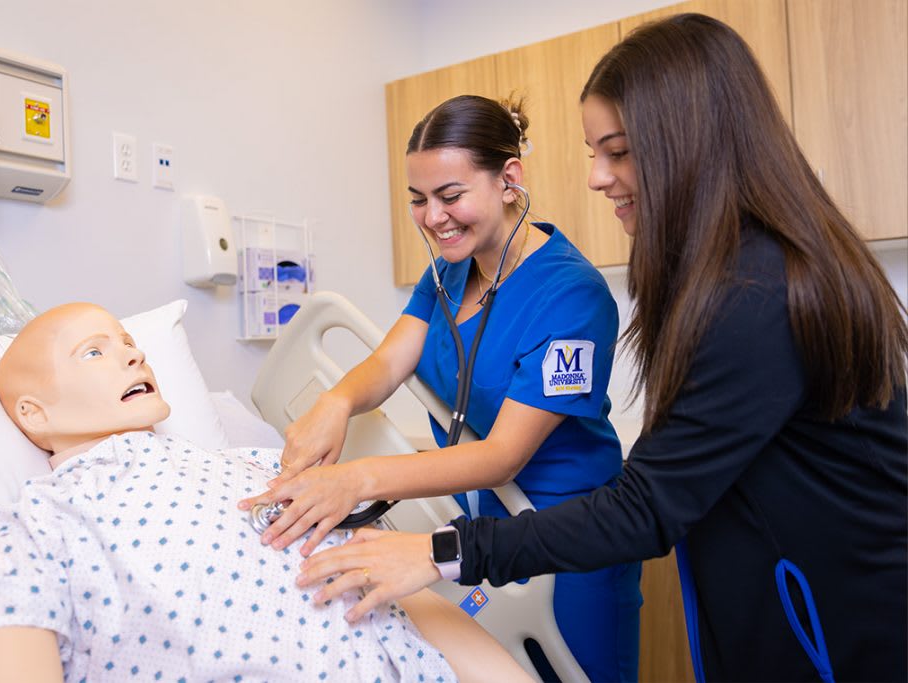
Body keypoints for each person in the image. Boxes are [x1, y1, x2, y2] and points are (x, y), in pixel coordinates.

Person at [295, 13, 908, 683]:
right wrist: (337, 400)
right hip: (762, 582)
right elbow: (390, 361)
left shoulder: (751, 293)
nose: (595, 176)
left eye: (617, 151)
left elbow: (638, 503)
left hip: (834, 612)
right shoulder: (718, 275)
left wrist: (434, 542)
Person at [240, 94, 642, 680]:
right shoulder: (446, 273)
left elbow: (504, 455)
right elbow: (388, 362)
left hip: (567, 542)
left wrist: (353, 479)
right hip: (480, 528)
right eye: (419, 200)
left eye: (451, 196)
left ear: (509, 180)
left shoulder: (570, 295)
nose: (433, 217)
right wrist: (337, 401)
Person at [0, 302, 533, 683]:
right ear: (32, 414)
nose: (131, 352)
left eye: (128, 341)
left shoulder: (262, 466)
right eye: (95, 351)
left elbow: (399, 586)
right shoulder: (31, 526)